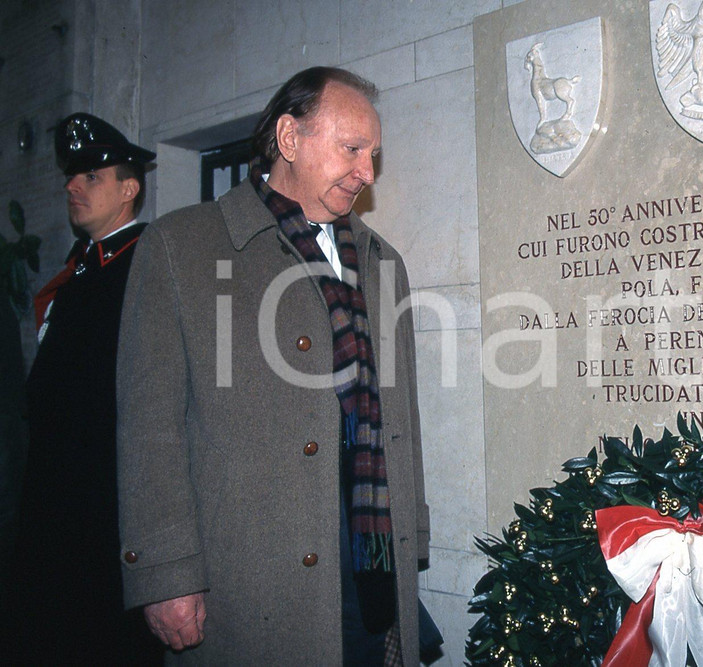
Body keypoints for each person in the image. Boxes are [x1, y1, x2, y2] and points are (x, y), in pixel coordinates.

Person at [116, 67, 430, 664]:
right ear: (290, 139)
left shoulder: (383, 262)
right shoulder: (181, 247)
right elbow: (148, 428)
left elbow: (401, 413)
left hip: (370, 557)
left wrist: (410, 527)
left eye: (373, 154)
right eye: (353, 149)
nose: (368, 172)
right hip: (249, 575)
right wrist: (164, 571)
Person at [4, 113, 163, 663]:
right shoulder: (78, 269)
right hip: (52, 512)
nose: (73, 185)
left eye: (91, 176)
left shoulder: (149, 267)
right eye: (73, 175)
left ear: (129, 188)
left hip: (105, 521)